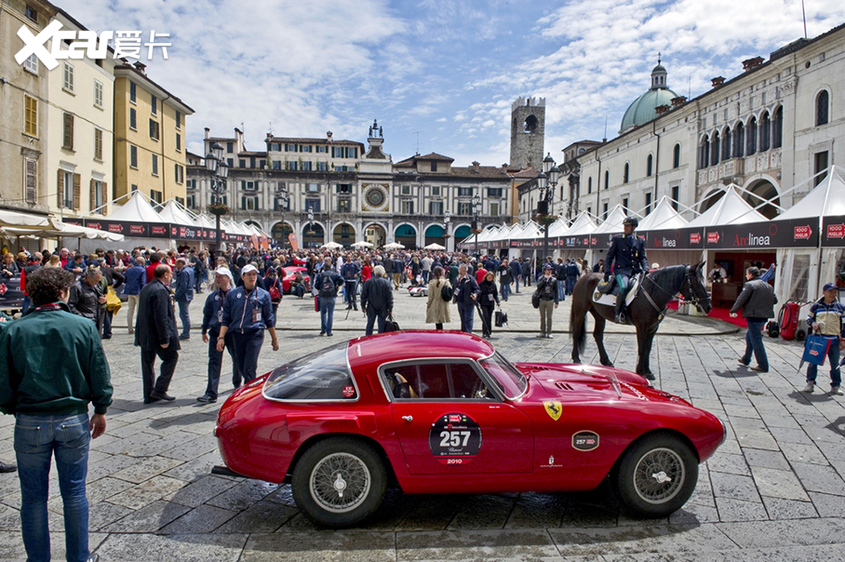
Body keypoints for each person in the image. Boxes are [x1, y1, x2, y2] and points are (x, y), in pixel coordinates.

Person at [0, 266, 112, 562]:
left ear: (31, 294)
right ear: (63, 292)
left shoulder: (14, 329)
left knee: (33, 498)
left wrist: (13, 408)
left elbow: (3, 380)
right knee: (74, 494)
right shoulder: (82, 326)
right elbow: (98, 371)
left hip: (29, 421)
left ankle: (38, 559)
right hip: (72, 418)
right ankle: (79, 557)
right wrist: (100, 408)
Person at [216, 264, 279, 383]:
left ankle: (249, 393)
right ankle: (249, 386)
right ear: (243, 277)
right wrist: (221, 337)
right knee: (240, 365)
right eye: (249, 275)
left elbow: (269, 318)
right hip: (237, 334)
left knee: (250, 367)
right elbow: (226, 318)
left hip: (254, 333)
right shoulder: (234, 294)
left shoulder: (263, 295)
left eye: (254, 275)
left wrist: (274, 338)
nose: (252, 277)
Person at [135, 264, 179, 403]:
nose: (171, 276)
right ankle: (159, 390)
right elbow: (161, 316)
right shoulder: (160, 290)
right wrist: (164, 338)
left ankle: (149, 394)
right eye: (170, 273)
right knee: (171, 357)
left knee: (147, 364)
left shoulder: (147, 287)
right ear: (165, 274)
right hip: (155, 334)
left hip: (145, 334)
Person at [198, 269, 239, 403]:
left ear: (228, 278)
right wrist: (204, 329)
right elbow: (207, 314)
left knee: (237, 359)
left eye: (220, 277)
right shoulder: (213, 297)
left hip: (232, 332)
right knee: (214, 362)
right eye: (216, 277)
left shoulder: (237, 295)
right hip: (216, 331)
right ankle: (211, 392)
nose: (217, 279)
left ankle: (237, 382)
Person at [730, 266, 777, 373]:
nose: (746, 276)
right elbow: (774, 300)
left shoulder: (750, 285)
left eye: (747, 274)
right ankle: (746, 358)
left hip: (754, 315)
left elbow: (741, 298)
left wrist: (733, 310)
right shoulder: (768, 286)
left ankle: (763, 364)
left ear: (751, 274)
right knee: (750, 336)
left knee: (756, 340)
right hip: (764, 315)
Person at [803, 283, 845, 395]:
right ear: (824, 292)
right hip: (819, 339)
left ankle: (835, 385)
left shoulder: (840, 307)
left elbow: (844, 324)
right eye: (830, 292)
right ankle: (810, 382)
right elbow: (808, 318)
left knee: (835, 364)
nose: (833, 294)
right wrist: (813, 324)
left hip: (834, 339)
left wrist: (844, 339)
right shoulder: (816, 306)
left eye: (834, 292)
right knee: (813, 361)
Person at [605, 216, 648, 323]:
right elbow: (609, 256)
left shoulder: (640, 241)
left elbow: (642, 257)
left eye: (627, 226)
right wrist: (607, 271)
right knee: (624, 287)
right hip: (621, 271)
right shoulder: (618, 239)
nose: (625, 228)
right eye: (624, 226)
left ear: (634, 227)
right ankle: (618, 312)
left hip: (635, 271)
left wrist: (646, 267)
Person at [68, 267, 106, 335]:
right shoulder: (77, 287)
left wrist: (103, 301)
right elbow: (71, 305)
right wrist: (82, 318)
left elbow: (100, 298)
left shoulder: (96, 286)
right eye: (95, 281)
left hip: (96, 320)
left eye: (98, 281)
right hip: (85, 322)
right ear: (88, 277)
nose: (97, 283)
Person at [313, 259, 344, 336]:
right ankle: (329, 331)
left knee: (323, 312)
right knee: (330, 313)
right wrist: (337, 286)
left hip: (323, 295)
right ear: (331, 267)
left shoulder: (321, 275)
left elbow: (316, 285)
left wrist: (320, 289)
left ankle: (323, 329)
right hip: (332, 294)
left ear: (324, 268)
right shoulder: (334, 274)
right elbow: (342, 280)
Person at [361, 265, 393, 335]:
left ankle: (368, 339)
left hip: (371, 305)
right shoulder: (386, 283)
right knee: (381, 325)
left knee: (370, 324)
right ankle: (379, 340)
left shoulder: (368, 281)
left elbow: (363, 295)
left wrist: (363, 306)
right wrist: (390, 309)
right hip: (383, 307)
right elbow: (390, 297)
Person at [454, 264, 480, 333]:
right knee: (463, 319)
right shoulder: (457, 278)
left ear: (466, 271)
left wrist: (475, 294)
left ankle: (468, 333)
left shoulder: (470, 279)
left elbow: (477, 289)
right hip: (460, 301)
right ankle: (463, 333)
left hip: (468, 302)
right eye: (460, 270)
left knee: (468, 319)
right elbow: (454, 287)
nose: (460, 272)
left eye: (462, 271)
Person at [536, 263, 560, 338]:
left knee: (549, 317)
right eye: (547, 270)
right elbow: (538, 286)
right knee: (542, 317)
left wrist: (556, 302)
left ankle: (549, 332)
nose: (549, 271)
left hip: (550, 300)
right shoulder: (541, 278)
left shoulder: (554, 280)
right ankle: (542, 331)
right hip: (542, 299)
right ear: (544, 270)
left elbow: (556, 291)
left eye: (550, 270)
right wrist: (544, 280)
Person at [123, 257, 146, 334]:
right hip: (138, 291)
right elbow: (143, 282)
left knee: (130, 310)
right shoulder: (142, 270)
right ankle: (139, 327)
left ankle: (130, 328)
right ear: (142, 263)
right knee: (139, 310)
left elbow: (125, 280)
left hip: (129, 291)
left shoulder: (129, 269)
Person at [173, 258, 195, 340]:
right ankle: (185, 332)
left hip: (184, 295)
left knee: (184, 315)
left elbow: (183, 286)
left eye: (176, 264)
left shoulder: (183, 272)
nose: (175, 266)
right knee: (184, 314)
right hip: (189, 294)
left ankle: (186, 333)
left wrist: (176, 295)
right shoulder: (189, 270)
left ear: (180, 263)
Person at [426, 266, 451, 330]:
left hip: (435, 303)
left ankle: (439, 333)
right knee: (441, 320)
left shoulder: (432, 282)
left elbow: (430, 296)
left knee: (437, 321)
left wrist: (428, 304)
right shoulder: (446, 282)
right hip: (443, 303)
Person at [478, 271, 500, 339]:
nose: (489, 278)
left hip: (491, 303)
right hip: (484, 302)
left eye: (491, 278)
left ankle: (489, 332)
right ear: (486, 277)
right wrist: (478, 301)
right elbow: (479, 292)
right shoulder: (482, 283)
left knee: (489, 318)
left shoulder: (493, 284)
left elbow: (495, 294)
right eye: (488, 277)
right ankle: (484, 332)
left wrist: (498, 301)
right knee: (485, 317)